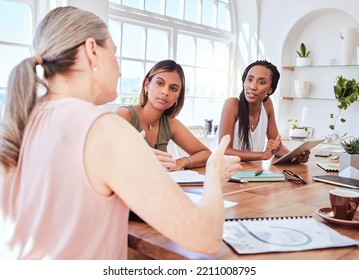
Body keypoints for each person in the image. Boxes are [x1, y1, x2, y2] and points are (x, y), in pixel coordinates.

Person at [0, 6, 241, 259]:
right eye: (114, 54)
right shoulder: (104, 129)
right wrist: (214, 173)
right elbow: (205, 236)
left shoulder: (23, 119)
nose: (120, 70)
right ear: (92, 51)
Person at [116, 60, 211, 171]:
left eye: (173, 88)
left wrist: (181, 162)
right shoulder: (125, 115)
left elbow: (206, 154)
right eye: (160, 83)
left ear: (178, 97)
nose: (165, 92)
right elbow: (106, 157)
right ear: (147, 85)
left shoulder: (170, 123)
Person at [214, 60, 310, 163]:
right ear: (244, 81)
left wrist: (294, 156)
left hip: (249, 172)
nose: (252, 87)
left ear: (270, 89)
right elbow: (224, 150)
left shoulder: (267, 105)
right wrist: (263, 155)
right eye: (250, 79)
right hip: (221, 171)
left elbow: (276, 147)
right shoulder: (232, 104)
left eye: (261, 82)